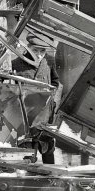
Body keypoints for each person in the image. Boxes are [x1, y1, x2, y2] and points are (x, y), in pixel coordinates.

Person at [12, 33, 61, 164]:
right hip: (25, 113)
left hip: (45, 112)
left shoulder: (49, 61)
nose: (39, 55)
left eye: (42, 51)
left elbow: (55, 82)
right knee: (28, 146)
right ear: (28, 48)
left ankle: (51, 173)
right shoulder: (17, 63)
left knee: (47, 145)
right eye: (35, 50)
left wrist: (50, 94)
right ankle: (29, 172)